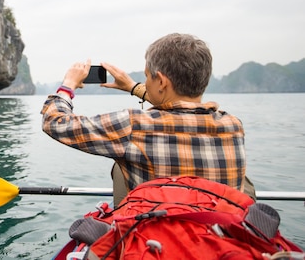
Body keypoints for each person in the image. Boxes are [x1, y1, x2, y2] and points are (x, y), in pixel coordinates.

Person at [41, 33, 254, 205]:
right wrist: (134, 88)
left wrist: (68, 85)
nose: (146, 81)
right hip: (218, 241)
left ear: (160, 81)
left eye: (147, 76)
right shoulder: (233, 126)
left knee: (120, 166)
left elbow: (55, 121)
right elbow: (178, 106)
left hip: (155, 245)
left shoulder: (134, 126)